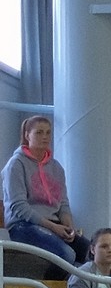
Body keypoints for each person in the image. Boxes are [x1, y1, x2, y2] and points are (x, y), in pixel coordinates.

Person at [3, 115, 90, 268]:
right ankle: (54, 283)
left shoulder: (56, 168)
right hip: (24, 225)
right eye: (39, 132)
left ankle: (77, 281)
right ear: (27, 135)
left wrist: (69, 228)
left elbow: (63, 204)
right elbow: (19, 206)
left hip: (54, 224)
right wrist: (53, 227)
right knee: (66, 255)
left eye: (48, 132)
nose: (45, 137)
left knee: (92, 252)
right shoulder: (16, 164)